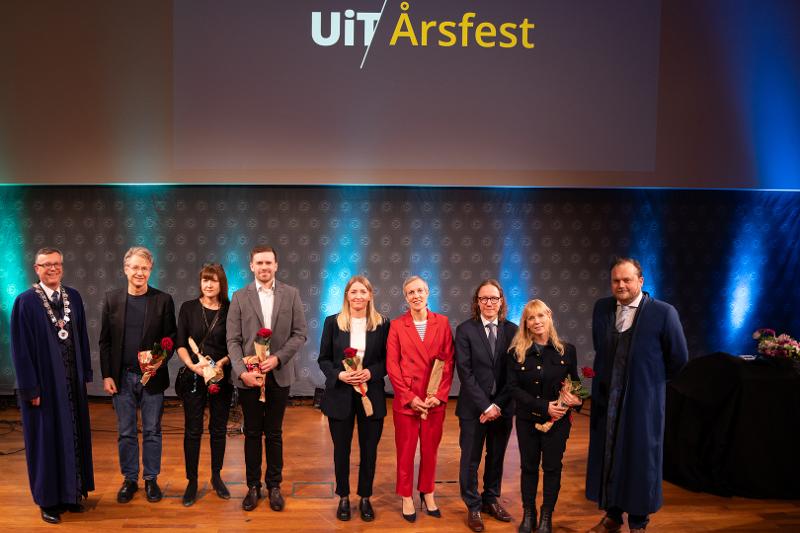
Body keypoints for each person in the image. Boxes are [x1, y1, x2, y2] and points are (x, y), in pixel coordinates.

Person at [585, 258, 688, 533]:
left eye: (627, 280)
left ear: (640, 281)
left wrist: (650, 383)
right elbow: (601, 346)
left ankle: (639, 522)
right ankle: (613, 515)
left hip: (642, 402)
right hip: (608, 399)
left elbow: (679, 357)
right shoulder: (602, 308)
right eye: (616, 280)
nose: (621, 285)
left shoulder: (664, 313)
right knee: (609, 454)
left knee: (640, 459)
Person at [10, 247, 95, 524]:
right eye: (46, 265)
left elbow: (81, 337)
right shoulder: (25, 303)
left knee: (73, 436)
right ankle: (48, 501)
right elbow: (20, 351)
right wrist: (30, 389)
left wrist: (85, 374)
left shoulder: (74, 297)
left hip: (70, 383)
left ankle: (72, 495)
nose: (53, 269)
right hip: (44, 387)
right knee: (46, 443)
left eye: (57, 264)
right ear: (37, 269)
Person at [227, 245, 308, 512]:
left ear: (276, 265)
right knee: (251, 433)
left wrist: (277, 359)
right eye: (259, 263)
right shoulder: (239, 297)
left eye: (268, 263)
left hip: (279, 375)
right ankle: (253, 486)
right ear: (251, 266)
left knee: (274, 433)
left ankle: (274, 486)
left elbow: (299, 334)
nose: (264, 267)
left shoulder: (292, 295)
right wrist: (242, 372)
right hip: (249, 378)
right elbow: (233, 340)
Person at [99, 246, 177, 504]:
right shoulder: (111, 299)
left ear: (150, 270)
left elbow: (171, 338)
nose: (139, 272)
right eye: (134, 267)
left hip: (152, 379)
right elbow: (105, 342)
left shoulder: (163, 300)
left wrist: (158, 361)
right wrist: (107, 375)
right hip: (121, 377)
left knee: (153, 430)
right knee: (126, 431)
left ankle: (151, 479)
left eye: (144, 268)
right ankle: (130, 479)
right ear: (125, 269)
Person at [317, 275, 390, 522]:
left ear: (370, 295)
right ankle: (344, 497)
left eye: (362, 291)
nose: (358, 296)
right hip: (340, 396)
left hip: (372, 395)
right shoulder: (332, 323)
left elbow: (388, 361)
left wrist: (371, 372)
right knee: (342, 450)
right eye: (353, 292)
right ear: (346, 296)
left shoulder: (383, 324)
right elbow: (324, 359)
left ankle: (365, 497)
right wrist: (339, 375)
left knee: (369, 450)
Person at [507, 299, 582, 533]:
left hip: (557, 422)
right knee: (529, 467)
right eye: (531, 318)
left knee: (552, 467)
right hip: (527, 420)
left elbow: (574, 383)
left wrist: (577, 400)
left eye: (541, 316)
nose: (537, 321)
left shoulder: (567, 350)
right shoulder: (515, 353)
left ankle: (546, 516)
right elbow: (513, 388)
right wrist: (543, 407)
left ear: (549, 317)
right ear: (526, 323)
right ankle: (529, 513)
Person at [386, 275, 455, 522]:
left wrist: (438, 395)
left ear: (428, 293)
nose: (416, 296)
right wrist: (409, 397)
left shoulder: (443, 323)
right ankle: (406, 496)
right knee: (405, 452)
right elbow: (392, 365)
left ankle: (428, 492)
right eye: (410, 292)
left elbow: (448, 361)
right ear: (405, 297)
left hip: (433, 402)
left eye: (420, 291)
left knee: (430, 450)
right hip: (408, 402)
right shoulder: (396, 325)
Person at [455, 279, 519, 532]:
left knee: (496, 457)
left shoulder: (513, 331)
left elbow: (514, 374)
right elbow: (465, 372)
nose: (489, 303)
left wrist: (498, 406)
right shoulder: (465, 330)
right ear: (477, 302)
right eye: (484, 298)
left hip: (503, 408)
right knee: (470, 459)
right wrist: (485, 406)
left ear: (501, 301)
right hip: (473, 409)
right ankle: (473, 505)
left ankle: (490, 499)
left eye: (494, 298)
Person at [175, 263, 234, 506]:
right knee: (193, 430)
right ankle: (191, 481)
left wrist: (222, 362)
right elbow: (180, 343)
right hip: (194, 377)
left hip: (220, 377)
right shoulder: (188, 308)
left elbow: (236, 344)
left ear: (222, 284)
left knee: (218, 429)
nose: (208, 285)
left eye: (213, 281)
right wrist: (192, 366)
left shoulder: (231, 309)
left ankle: (216, 476)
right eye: (204, 280)